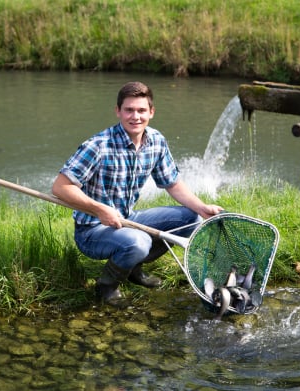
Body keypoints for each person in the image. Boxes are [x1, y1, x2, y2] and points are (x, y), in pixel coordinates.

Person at [52, 81, 223, 305]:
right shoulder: (98, 146)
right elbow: (60, 187)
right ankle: (106, 286)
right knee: (139, 242)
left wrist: (202, 208)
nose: (136, 117)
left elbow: (172, 184)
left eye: (141, 110)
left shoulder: (156, 141)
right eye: (129, 110)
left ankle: (132, 266)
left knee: (190, 218)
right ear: (118, 111)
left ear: (151, 112)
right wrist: (98, 208)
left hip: (127, 219)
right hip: (92, 230)